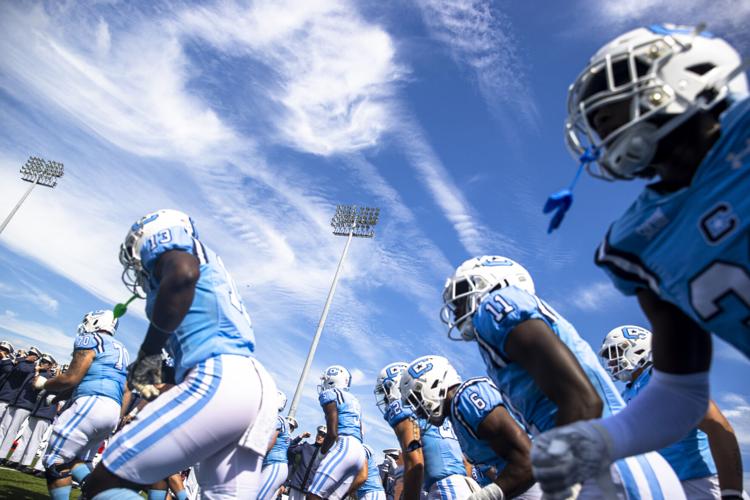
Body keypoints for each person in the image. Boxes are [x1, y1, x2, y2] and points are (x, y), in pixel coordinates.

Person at [531, 23, 750, 500]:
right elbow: (680, 392)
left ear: (683, 74)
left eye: (608, 110)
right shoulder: (637, 241)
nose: (602, 130)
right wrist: (599, 439)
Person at [440, 255, 684, 498]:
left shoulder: (495, 308)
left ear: (495, 282)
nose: (456, 307)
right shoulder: (500, 324)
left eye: (462, 292)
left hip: (609, 470)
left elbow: (583, 402)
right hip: (624, 462)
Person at [84, 209, 277, 499]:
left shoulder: (173, 244)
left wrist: (149, 353)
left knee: (106, 481)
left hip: (220, 379)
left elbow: (183, 272)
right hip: (254, 386)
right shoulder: (211, 263)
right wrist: (163, 369)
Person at [600, 325, 746, 499]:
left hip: (702, 483)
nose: (610, 362)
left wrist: (731, 492)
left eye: (613, 352)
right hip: (667, 487)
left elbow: (718, 426)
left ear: (636, 347)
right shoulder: (627, 394)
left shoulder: (663, 378)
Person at [400, 356, 541, 500]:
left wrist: (485, 496)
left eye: (416, 398)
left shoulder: (466, 399)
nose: (417, 410)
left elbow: (529, 459)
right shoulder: (456, 414)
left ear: (433, 384)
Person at [29, 311, 128, 500]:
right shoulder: (120, 348)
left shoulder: (91, 339)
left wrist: (44, 384)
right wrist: (58, 397)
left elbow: (71, 377)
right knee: (76, 460)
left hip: (92, 403)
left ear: (96, 321)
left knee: (54, 460)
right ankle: (99, 490)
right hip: (111, 409)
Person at [374, 362, 478, 499]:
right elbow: (466, 462)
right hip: (466, 487)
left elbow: (414, 461)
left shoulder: (401, 406)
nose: (386, 398)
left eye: (384, 390)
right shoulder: (436, 409)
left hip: (444, 489)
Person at [307, 365, 366, 500]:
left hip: (345, 447)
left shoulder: (330, 394)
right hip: (359, 451)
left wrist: (321, 453)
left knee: (313, 495)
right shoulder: (354, 400)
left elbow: (332, 433)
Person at [0, 346, 43, 460]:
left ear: (36, 358)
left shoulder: (31, 367)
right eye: (29, 353)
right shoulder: (25, 364)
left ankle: (2, 455)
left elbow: (21, 369)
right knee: (4, 427)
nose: (29, 355)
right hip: (15, 401)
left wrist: (21, 359)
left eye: (32, 354)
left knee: (12, 430)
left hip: (24, 404)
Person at [258, 391, 292, 500]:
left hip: (274, 466)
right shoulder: (279, 418)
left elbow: (269, 443)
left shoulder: (276, 419)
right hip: (271, 465)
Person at [287, 425, 327, 499]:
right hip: (296, 485)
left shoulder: (326, 455)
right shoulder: (306, 446)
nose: (320, 437)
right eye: (319, 434)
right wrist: (301, 436)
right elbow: (290, 449)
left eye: (323, 435)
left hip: (309, 491)